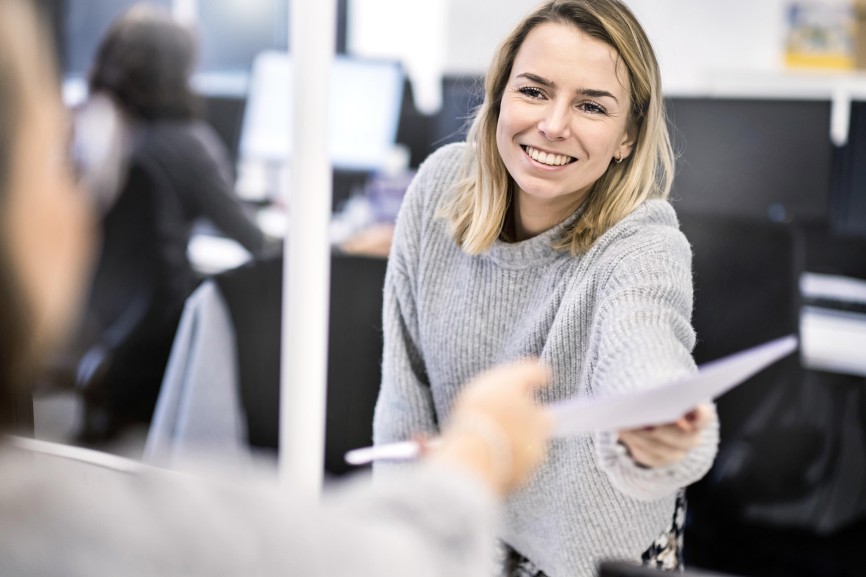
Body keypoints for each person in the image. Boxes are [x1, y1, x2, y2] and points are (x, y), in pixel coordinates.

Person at [0, 1, 554, 575]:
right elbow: (388, 559)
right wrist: (481, 445)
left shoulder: (137, 144)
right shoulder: (132, 540)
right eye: (60, 162)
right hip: (156, 349)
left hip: (118, 345)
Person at [372, 1, 719, 575]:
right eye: (533, 91)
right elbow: (404, 398)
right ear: (499, 96)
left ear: (628, 136)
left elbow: (647, 346)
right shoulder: (438, 188)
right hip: (463, 533)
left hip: (588, 556)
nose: (554, 124)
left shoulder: (644, 242)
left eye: (590, 105)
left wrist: (657, 426)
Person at [71, 4, 268, 442]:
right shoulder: (188, 144)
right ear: (178, 73)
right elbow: (255, 242)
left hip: (92, 324)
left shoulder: (93, 136)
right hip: (159, 337)